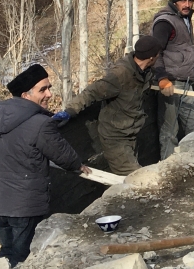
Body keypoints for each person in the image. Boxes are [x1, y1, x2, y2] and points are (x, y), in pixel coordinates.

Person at [0, 64, 88, 265]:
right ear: (25, 95)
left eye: (49, 87)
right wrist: (77, 165)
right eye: (43, 89)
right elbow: (64, 157)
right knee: (22, 258)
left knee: (7, 252)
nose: (49, 94)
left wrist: (2, 159)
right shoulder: (39, 124)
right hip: (26, 205)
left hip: (0, 203)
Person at [57, 36, 164, 176]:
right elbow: (92, 92)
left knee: (127, 182)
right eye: (158, 55)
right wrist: (69, 111)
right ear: (151, 57)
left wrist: (164, 79)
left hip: (131, 134)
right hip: (115, 139)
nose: (159, 57)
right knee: (136, 180)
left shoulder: (144, 72)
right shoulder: (120, 75)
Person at [152, 0, 194, 159]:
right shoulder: (165, 23)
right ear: (175, 2)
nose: (187, 4)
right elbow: (155, 52)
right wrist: (162, 77)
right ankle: (168, 169)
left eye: (190, 1)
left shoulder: (185, 19)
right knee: (169, 130)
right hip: (171, 82)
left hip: (186, 81)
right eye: (183, 1)